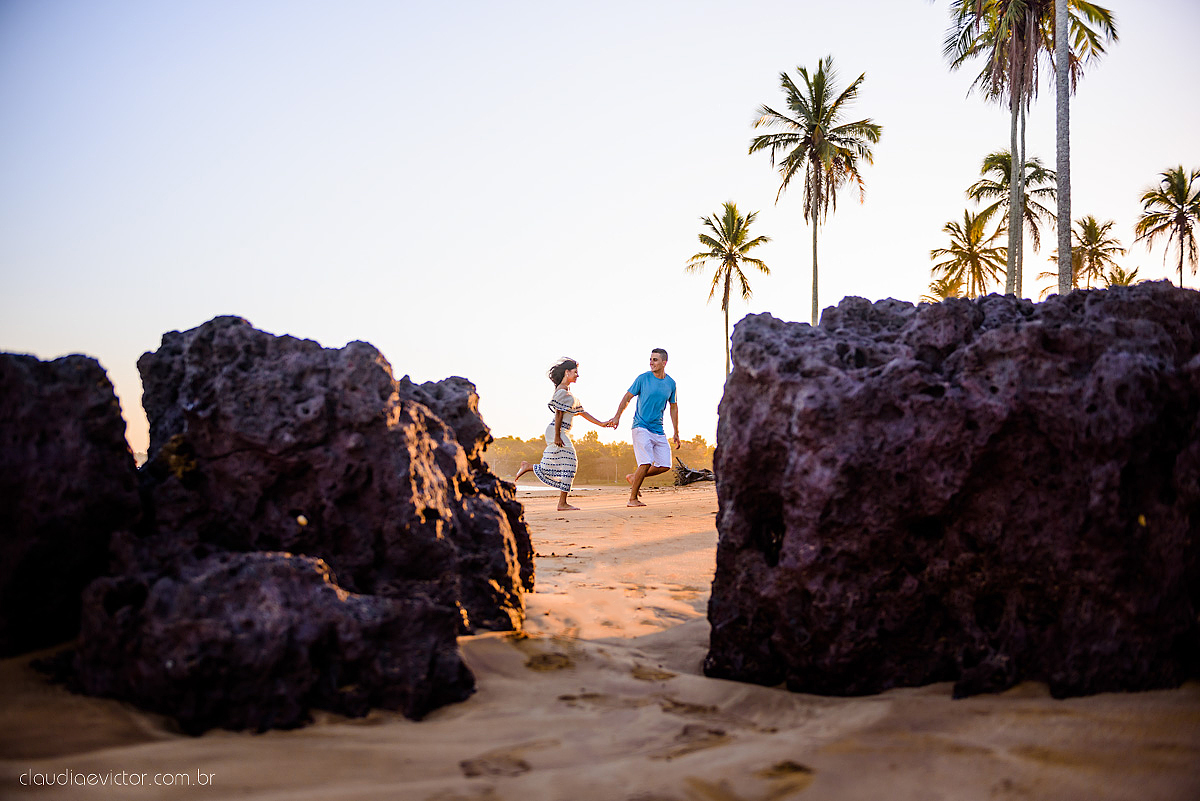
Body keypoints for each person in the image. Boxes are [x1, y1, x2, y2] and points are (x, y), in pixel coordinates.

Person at [515, 358, 614, 511]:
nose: (577, 376)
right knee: (570, 463)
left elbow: (582, 412)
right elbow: (559, 414)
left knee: (559, 463)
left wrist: (601, 423)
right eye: (575, 372)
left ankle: (529, 467)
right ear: (567, 372)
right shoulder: (561, 391)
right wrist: (556, 436)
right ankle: (562, 503)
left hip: (561, 431)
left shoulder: (567, 392)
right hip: (557, 430)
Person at [610, 348, 679, 507]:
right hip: (640, 426)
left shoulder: (671, 383)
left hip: (658, 429)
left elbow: (673, 407)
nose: (651, 363)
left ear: (664, 362)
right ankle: (632, 499)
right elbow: (627, 397)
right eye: (650, 359)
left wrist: (676, 431)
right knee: (646, 462)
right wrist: (617, 416)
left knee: (664, 465)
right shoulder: (643, 379)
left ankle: (634, 477)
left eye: (655, 360)